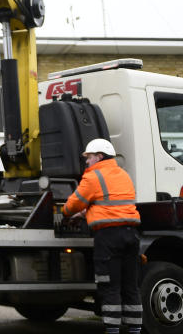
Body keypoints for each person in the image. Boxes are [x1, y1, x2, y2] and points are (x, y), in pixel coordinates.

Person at [63, 138, 142, 334]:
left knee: (109, 285)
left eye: (88, 157)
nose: (86, 162)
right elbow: (109, 204)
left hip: (108, 238)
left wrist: (66, 213)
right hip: (131, 235)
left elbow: (73, 204)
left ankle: (113, 330)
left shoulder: (93, 177)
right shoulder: (124, 175)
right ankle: (135, 329)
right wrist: (86, 213)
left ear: (99, 156)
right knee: (130, 286)